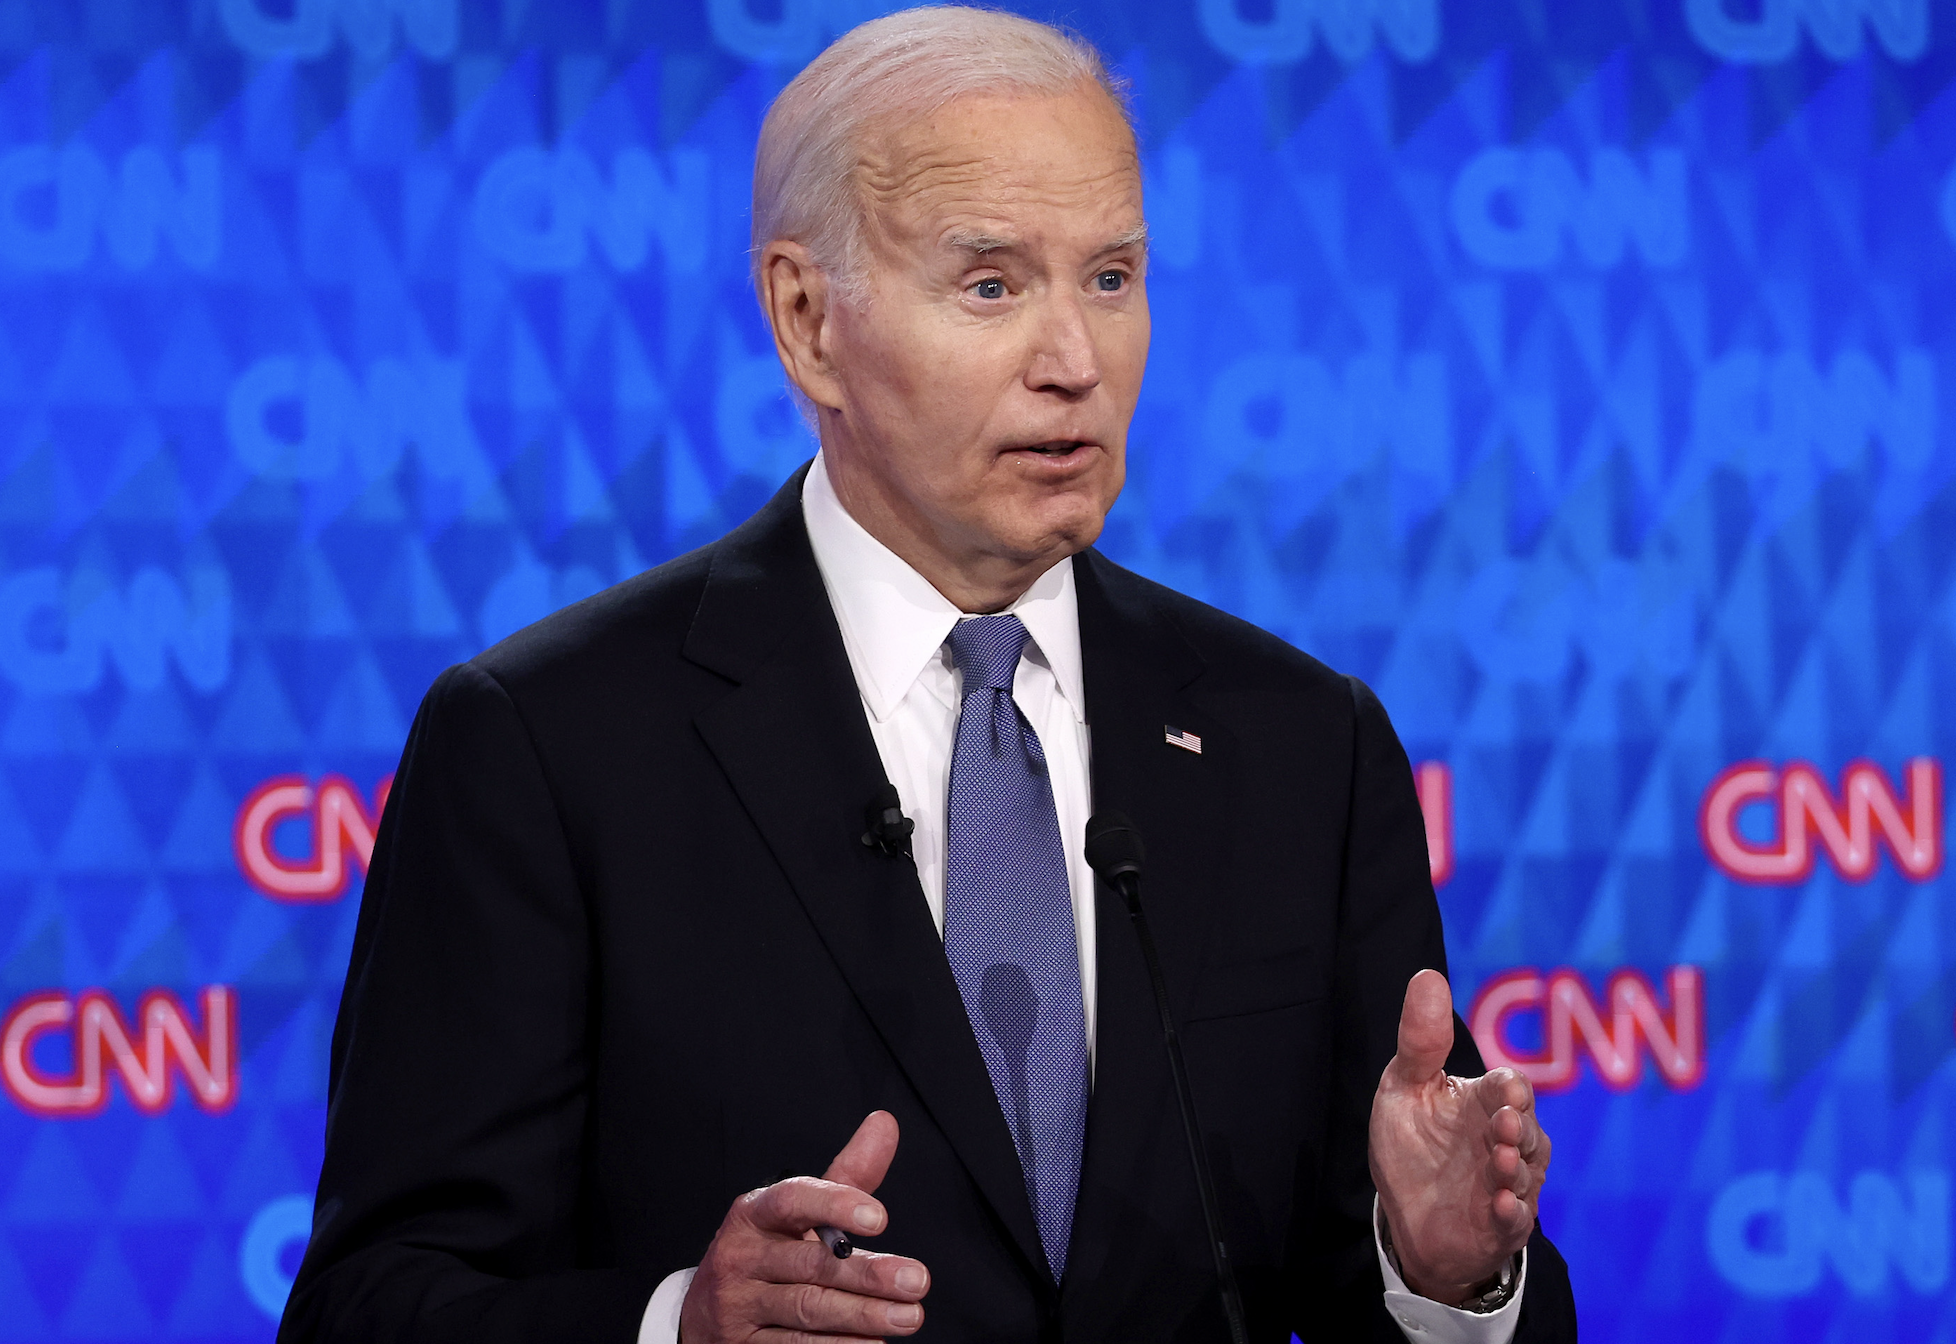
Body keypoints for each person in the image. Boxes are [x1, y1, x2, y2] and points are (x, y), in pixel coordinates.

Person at [280, 8, 1576, 1342]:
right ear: (807, 321)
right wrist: (680, 1326)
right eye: (993, 285)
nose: (1073, 361)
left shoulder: (1297, 743)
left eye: (1113, 278)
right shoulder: (551, 749)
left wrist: (1442, 1279)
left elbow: (1368, 1277)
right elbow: (368, 1309)